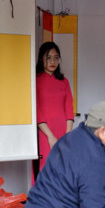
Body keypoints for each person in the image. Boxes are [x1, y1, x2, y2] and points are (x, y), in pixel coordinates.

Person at [33, 42, 74, 183]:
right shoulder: (35, 80)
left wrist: (67, 135)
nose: (52, 62)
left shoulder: (64, 81)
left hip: (63, 130)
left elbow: (69, 109)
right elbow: (37, 111)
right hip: (44, 132)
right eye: (48, 58)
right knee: (46, 168)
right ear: (41, 59)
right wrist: (50, 136)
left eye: (56, 58)